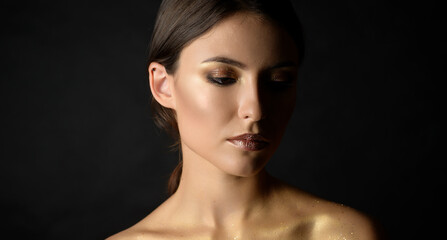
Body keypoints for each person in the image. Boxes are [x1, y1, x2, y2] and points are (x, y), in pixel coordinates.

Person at [108, 0, 381, 239]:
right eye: (223, 78)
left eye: (279, 81)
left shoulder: (344, 235)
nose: (256, 109)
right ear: (162, 85)